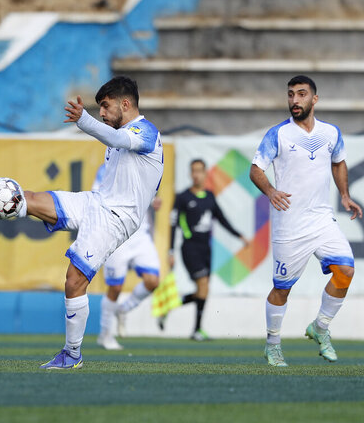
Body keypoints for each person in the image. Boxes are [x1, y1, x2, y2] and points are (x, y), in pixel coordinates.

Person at [0, 76, 164, 369]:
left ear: (125, 104)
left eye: (105, 106)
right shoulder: (123, 134)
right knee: (30, 199)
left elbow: (117, 139)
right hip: (97, 202)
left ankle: (72, 354)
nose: (101, 112)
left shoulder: (145, 131)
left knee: (74, 281)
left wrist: (84, 121)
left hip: (115, 218)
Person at [250, 75, 362, 367]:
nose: (294, 100)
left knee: (346, 270)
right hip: (290, 225)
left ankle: (320, 327)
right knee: (282, 289)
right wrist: (271, 190)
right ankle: (272, 344)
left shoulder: (330, 133)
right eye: (290, 95)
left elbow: (338, 162)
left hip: (322, 219)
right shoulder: (278, 135)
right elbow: (255, 170)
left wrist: (345, 195)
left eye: (301, 94)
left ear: (314, 99)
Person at [165, 159, 247, 341]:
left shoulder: (210, 196)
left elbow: (222, 218)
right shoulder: (183, 197)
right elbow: (172, 225)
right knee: (203, 286)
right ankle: (196, 330)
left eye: (199, 171)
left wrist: (239, 235)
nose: (196, 174)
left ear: (205, 173)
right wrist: (170, 251)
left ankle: (172, 307)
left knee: (203, 291)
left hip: (206, 249)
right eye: (193, 171)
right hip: (189, 248)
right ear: (190, 173)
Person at [97, 191, 161, 351]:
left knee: (153, 281)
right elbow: (98, 197)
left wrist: (153, 199)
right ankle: (105, 334)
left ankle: (123, 309)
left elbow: (150, 190)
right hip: (117, 232)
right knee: (115, 288)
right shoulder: (106, 169)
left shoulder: (144, 165)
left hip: (140, 235)